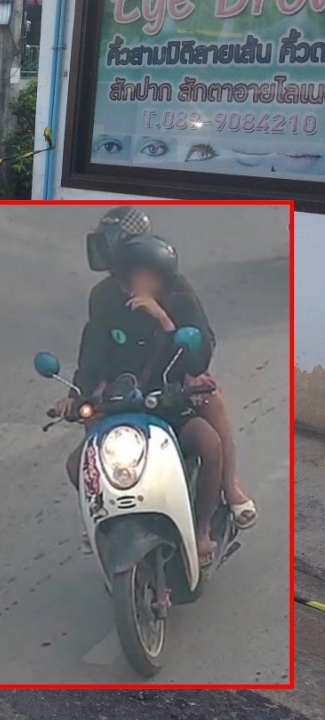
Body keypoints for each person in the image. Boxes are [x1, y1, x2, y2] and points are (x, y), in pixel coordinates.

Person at [56, 235, 229, 565]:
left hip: (167, 407)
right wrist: (75, 397)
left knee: (210, 445)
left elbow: (193, 362)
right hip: (121, 412)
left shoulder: (176, 302)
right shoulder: (106, 308)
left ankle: (202, 528)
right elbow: (90, 362)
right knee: (76, 465)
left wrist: (163, 320)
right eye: (141, 275)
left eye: (153, 276)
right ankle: (102, 521)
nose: (147, 283)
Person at [83, 207, 257, 531]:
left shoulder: (177, 291)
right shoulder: (102, 296)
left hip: (171, 385)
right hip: (126, 392)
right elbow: (93, 350)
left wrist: (184, 359)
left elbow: (200, 342)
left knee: (212, 412)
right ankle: (100, 518)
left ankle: (228, 488)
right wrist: (85, 391)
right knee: (84, 451)